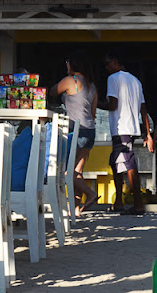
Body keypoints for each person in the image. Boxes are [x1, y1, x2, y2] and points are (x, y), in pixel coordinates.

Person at [98, 51, 154, 215]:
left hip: (120, 127)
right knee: (116, 163)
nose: (106, 68)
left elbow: (113, 105)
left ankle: (137, 204)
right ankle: (119, 202)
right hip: (131, 127)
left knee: (128, 164)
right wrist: (147, 133)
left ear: (115, 62)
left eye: (107, 64)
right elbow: (143, 108)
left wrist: (94, 104)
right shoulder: (135, 81)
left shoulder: (113, 79)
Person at [50, 50, 100, 217]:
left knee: (67, 173)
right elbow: (93, 113)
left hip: (75, 131)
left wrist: (64, 96)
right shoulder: (92, 85)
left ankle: (91, 194)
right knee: (77, 172)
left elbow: (52, 92)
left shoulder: (70, 80)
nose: (66, 65)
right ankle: (76, 210)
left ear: (73, 64)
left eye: (68, 62)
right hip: (90, 131)